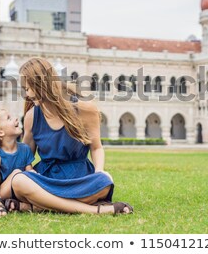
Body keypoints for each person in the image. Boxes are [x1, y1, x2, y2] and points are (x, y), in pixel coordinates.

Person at [8, 57, 133, 215]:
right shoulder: (32, 116)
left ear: (40, 84)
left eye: (27, 88)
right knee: (19, 181)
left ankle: (39, 205)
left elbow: (96, 147)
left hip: (79, 178)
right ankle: (94, 210)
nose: (26, 94)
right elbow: (25, 156)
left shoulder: (86, 110)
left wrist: (99, 170)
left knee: (105, 181)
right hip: (46, 178)